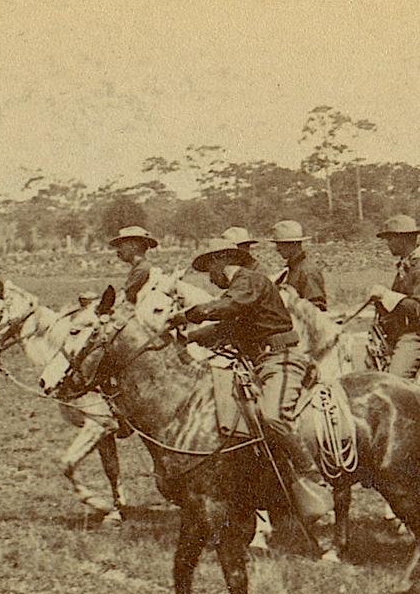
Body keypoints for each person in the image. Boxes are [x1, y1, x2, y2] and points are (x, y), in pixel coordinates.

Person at [171, 237, 332, 520]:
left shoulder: (249, 282)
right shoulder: (241, 289)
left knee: (273, 417)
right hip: (259, 363)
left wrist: (186, 316)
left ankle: (312, 475)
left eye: (209, 270)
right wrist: (190, 337)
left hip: (280, 359)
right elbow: (225, 328)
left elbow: (226, 307)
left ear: (221, 260)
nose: (210, 278)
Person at [367, 214, 420, 379]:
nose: (387, 244)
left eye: (390, 239)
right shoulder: (407, 265)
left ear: (403, 239)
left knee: (394, 380)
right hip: (399, 333)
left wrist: (387, 296)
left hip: (416, 336)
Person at [272, 219, 327, 310]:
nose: (277, 249)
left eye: (280, 244)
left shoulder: (307, 272)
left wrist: (292, 302)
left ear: (293, 244)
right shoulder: (291, 269)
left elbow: (318, 308)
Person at [108, 226, 158, 304]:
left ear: (133, 246)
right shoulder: (140, 268)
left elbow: (126, 299)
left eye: (121, 246)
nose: (118, 251)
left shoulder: (142, 270)